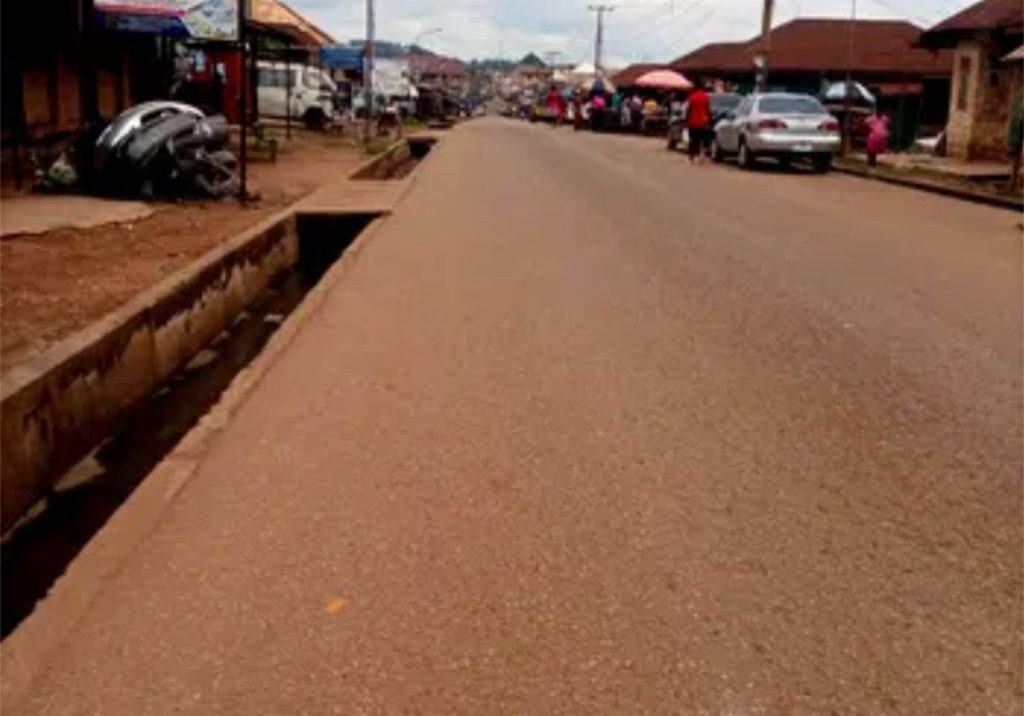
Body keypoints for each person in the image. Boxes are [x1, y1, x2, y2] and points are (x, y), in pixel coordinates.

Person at [685, 81, 712, 163]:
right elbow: (708, 110)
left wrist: (687, 120)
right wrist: (709, 120)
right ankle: (702, 156)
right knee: (704, 140)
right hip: (703, 122)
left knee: (693, 140)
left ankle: (692, 157)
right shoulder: (706, 97)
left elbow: (689, 110)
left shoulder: (692, 97)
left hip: (693, 121)